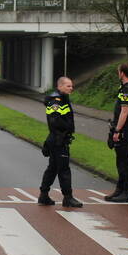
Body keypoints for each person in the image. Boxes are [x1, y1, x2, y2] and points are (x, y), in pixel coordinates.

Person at [38, 76, 83, 208]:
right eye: (68, 86)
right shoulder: (55, 101)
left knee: (52, 168)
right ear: (60, 86)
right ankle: (67, 198)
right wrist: (65, 131)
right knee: (64, 169)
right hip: (58, 140)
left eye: (72, 86)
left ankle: (43, 195)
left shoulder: (63, 99)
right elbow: (55, 121)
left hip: (58, 138)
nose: (71, 88)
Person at [106, 62, 128, 202]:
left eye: (118, 71)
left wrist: (117, 130)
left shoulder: (127, 90)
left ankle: (127, 193)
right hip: (127, 128)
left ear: (122, 73)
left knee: (125, 161)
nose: (118, 73)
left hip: (124, 130)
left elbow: (124, 112)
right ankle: (120, 189)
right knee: (121, 160)